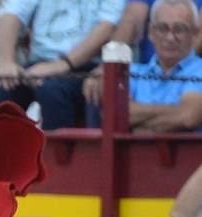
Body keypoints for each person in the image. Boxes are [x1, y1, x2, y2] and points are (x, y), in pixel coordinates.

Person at [0, 0, 126, 130]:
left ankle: (58, 158)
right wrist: (6, 62)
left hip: (87, 65)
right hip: (39, 64)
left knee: (52, 91)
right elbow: (11, 16)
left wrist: (63, 64)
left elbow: (107, 27)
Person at [85, 0, 202, 130]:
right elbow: (114, 115)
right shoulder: (131, 72)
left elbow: (188, 117)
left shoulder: (199, 71)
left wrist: (137, 120)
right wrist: (173, 111)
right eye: (162, 28)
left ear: (195, 35)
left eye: (179, 29)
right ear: (151, 32)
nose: (170, 37)